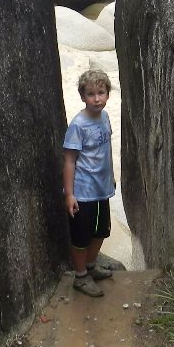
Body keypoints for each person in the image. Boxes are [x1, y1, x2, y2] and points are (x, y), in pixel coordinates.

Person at [63, 68, 116, 297]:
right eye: (91, 94)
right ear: (83, 96)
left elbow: (106, 151)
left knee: (101, 231)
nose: (97, 98)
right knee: (81, 236)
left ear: (107, 94)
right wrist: (69, 194)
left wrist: (111, 177)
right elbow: (69, 161)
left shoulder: (104, 117)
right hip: (83, 192)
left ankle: (91, 267)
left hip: (101, 188)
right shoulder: (78, 125)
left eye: (101, 92)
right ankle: (81, 277)